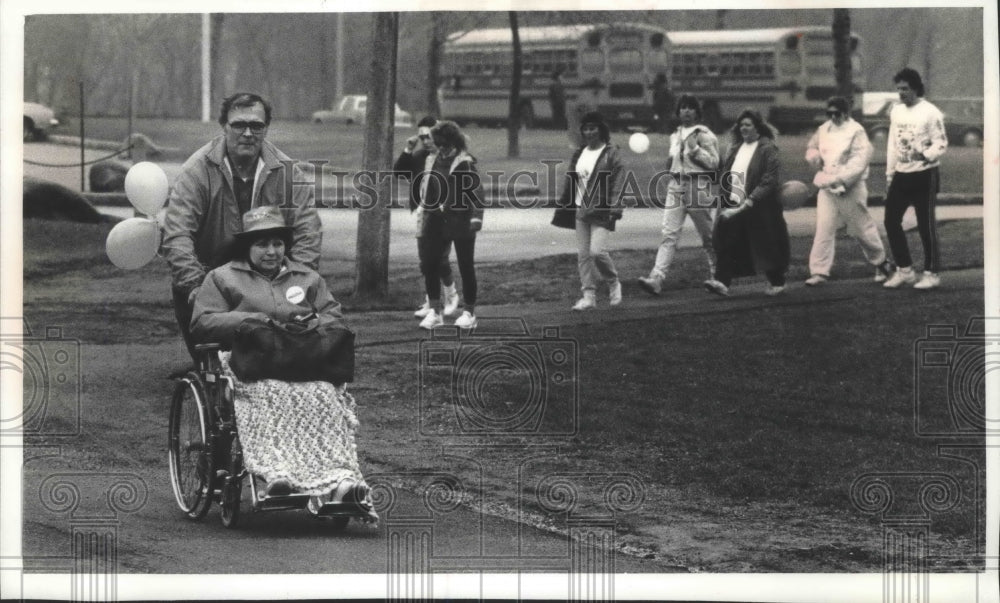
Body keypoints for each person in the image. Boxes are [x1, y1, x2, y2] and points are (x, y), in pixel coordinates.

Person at [190, 205, 374, 518]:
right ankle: (276, 476)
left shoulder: (306, 278)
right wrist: (252, 320)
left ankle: (339, 481)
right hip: (249, 366)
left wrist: (313, 323)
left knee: (325, 395)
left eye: (277, 243)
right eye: (262, 244)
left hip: (301, 363)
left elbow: (334, 317)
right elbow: (202, 322)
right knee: (268, 395)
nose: (271, 251)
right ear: (246, 246)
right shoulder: (222, 278)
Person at [162, 92, 321, 361]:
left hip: (269, 278)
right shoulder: (197, 170)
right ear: (224, 126)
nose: (248, 133)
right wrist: (195, 286)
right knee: (215, 367)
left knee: (283, 364)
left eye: (256, 126)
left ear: (266, 129)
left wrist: (295, 284)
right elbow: (177, 233)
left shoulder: (287, 172)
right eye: (239, 125)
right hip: (210, 275)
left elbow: (308, 232)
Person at [394, 120, 484, 329]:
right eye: (438, 144)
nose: (439, 148)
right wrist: (426, 212)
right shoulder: (432, 160)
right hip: (436, 218)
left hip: (461, 220)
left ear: (452, 143)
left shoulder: (465, 162)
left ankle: (469, 313)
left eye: (443, 145)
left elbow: (477, 193)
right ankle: (435, 311)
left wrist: (476, 217)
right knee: (430, 263)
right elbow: (429, 188)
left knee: (465, 265)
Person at [804, 96, 894, 286]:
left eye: (837, 113)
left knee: (861, 229)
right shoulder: (823, 129)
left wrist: (841, 179)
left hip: (850, 187)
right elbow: (812, 147)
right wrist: (814, 157)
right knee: (824, 227)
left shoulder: (856, 131)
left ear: (846, 113)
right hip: (827, 186)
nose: (833, 117)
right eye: (830, 113)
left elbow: (859, 161)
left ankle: (882, 263)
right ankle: (819, 271)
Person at [638, 94, 720, 296]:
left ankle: (719, 276)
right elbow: (673, 159)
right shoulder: (674, 135)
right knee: (669, 234)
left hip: (696, 185)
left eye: (691, 107)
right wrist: (670, 166)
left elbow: (714, 163)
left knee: (708, 236)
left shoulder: (704, 134)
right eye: (683, 107)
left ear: (697, 112)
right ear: (678, 111)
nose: (686, 111)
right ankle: (657, 278)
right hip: (676, 185)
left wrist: (694, 149)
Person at [704, 109, 790, 297]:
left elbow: (770, 178)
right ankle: (722, 282)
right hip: (734, 203)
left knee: (765, 245)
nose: (743, 128)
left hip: (758, 206)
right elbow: (726, 175)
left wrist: (751, 200)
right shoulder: (736, 147)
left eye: (748, 125)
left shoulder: (767, 148)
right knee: (727, 241)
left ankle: (777, 281)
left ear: (757, 127)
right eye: (741, 125)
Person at [882, 68, 948, 290]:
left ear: (916, 88)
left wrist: (925, 155)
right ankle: (905, 270)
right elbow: (893, 143)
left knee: (925, 225)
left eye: (905, 89)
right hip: (902, 173)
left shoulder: (930, 112)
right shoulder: (897, 111)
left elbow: (941, 142)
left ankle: (931, 272)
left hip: (925, 174)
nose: (901, 93)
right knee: (891, 221)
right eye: (898, 89)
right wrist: (890, 174)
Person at [394, 115, 460, 320]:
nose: (425, 141)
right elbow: (399, 172)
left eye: (428, 136)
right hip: (424, 213)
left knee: (437, 258)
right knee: (426, 260)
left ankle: (449, 296)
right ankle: (432, 300)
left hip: (444, 215)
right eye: (421, 137)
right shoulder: (421, 156)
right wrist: (408, 149)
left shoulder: (448, 157)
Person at [557, 111, 625, 310]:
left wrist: (616, 207)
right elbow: (573, 180)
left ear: (601, 129)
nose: (589, 132)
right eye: (585, 129)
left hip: (602, 210)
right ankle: (588, 296)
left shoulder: (611, 153)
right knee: (584, 255)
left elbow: (618, 182)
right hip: (581, 209)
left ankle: (613, 282)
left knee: (597, 252)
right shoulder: (580, 152)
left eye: (593, 128)